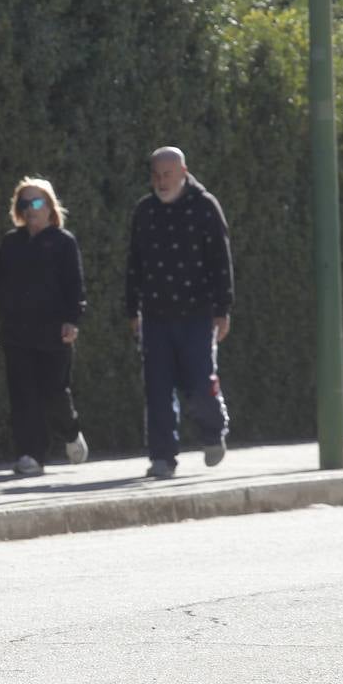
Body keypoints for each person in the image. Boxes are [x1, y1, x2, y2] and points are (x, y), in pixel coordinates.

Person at [125, 146, 233, 479]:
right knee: (157, 388)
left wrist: (222, 309)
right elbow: (134, 264)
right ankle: (162, 457)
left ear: (183, 172)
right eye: (156, 175)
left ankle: (213, 431)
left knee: (201, 384)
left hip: (197, 314)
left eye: (167, 174)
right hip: (155, 315)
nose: (161, 181)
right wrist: (132, 309)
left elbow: (220, 260)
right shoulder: (144, 211)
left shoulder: (205, 207)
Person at [0, 177, 89, 477]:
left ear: (49, 206)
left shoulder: (63, 242)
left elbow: (75, 286)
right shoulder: (11, 242)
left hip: (54, 332)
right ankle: (31, 455)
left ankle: (71, 432)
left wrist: (73, 320)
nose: (30, 209)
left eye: (36, 202)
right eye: (24, 203)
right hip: (17, 332)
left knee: (55, 392)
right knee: (23, 395)